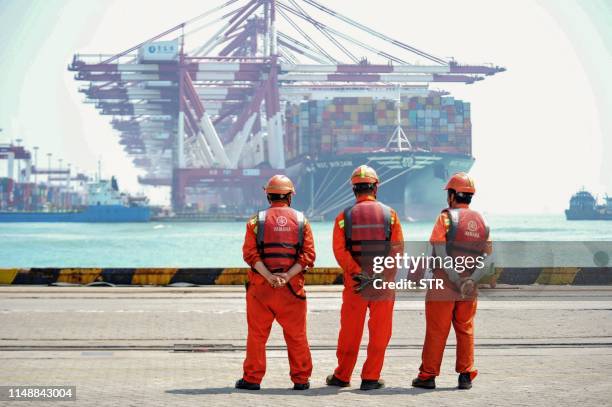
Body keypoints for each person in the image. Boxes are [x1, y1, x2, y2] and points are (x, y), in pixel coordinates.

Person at [412, 172, 493, 391]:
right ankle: (465, 376)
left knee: (437, 330)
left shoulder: (445, 219)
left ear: (452, 195)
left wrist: (456, 279)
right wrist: (469, 280)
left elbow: (439, 251)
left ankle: (428, 376)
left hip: (444, 283)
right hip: (469, 286)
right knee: (465, 329)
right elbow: (487, 259)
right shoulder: (483, 220)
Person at [326, 165, 404, 391]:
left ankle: (342, 376)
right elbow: (397, 249)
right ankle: (370, 378)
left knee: (350, 331)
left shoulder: (343, 217)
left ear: (354, 189)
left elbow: (340, 251)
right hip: (383, 284)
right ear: (375, 187)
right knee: (380, 332)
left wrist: (358, 273)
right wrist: (381, 274)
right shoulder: (391, 215)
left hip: (356, 284)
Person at [237, 175, 315, 391]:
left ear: (268, 195)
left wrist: (269, 276)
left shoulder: (255, 222)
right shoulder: (302, 221)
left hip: (261, 289)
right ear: (290, 196)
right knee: (297, 336)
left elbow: (250, 254)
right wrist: (286, 277)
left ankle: (252, 379)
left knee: (257, 336)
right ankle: (301, 379)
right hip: (292, 290)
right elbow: (308, 255)